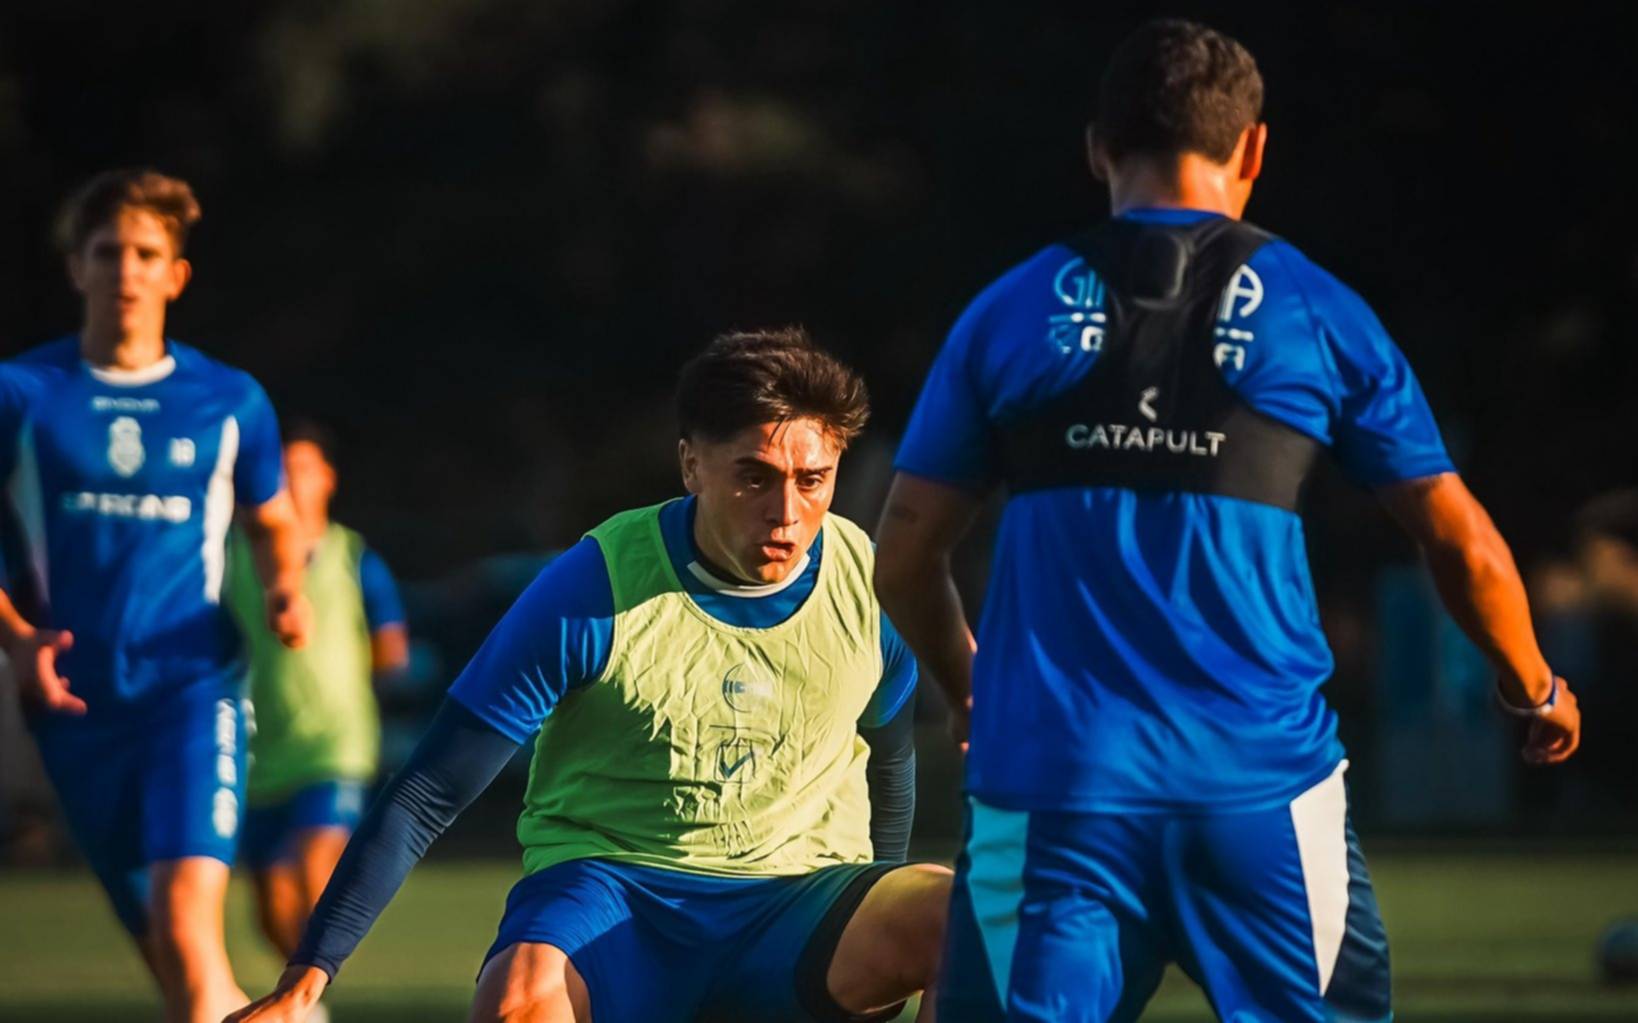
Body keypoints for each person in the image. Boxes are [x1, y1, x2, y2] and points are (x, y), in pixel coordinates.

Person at [873, 20, 1582, 1023]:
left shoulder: (1010, 310)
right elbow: (1459, 540)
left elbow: (904, 554)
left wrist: (971, 688)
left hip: (1053, 789)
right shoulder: (1317, 310)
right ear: (1252, 149)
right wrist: (1533, 685)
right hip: (1263, 793)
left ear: (1097, 149)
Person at [230, 328, 948, 1023]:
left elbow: (890, 763)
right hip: (617, 890)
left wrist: (870, 894)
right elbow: (428, 793)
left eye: (812, 480)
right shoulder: (593, 587)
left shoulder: (870, 584)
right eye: (754, 477)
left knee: (970, 920)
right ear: (692, 465)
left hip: (800, 901)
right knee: (515, 1004)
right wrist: (307, 976)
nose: (786, 512)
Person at [0, 168, 311, 1023]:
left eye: (146, 254)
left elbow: (273, 521)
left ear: (176, 274)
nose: (126, 271)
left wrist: (285, 588)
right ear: (77, 268)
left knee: (186, 932)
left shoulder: (229, 400)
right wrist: (17, 636)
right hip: (74, 711)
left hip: (193, 692)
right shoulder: (22, 395)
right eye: (108, 252)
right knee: (176, 970)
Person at [227, 421, 409, 968]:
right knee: (269, 906)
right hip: (259, 743)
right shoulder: (233, 555)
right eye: (281, 470)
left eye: (302, 469)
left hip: (334, 743)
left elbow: (392, 648)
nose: (290, 481)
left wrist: (339, 675)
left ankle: (309, 983)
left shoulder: (354, 557)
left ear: (328, 478)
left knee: (314, 874)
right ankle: (305, 995)